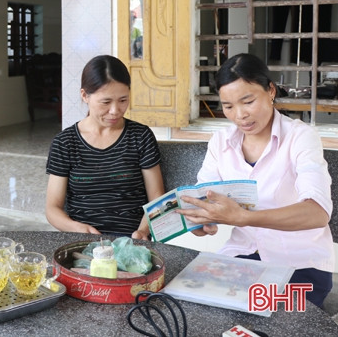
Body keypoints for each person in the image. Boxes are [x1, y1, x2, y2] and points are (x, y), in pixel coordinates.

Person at [178, 53, 334, 308]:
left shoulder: (301, 137)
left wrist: (243, 217)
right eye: (228, 106)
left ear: (270, 90)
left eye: (248, 101)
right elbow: (201, 200)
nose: (240, 115)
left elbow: (317, 213)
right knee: (192, 310)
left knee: (266, 320)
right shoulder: (220, 142)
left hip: (300, 264)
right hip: (241, 259)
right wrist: (199, 222)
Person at [45, 55, 165, 238]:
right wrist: (79, 229)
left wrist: (142, 232)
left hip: (132, 241)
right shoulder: (65, 143)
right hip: (83, 242)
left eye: (123, 100)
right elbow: (53, 208)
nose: (115, 110)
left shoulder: (140, 136)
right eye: (106, 102)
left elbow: (156, 198)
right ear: (85, 95)